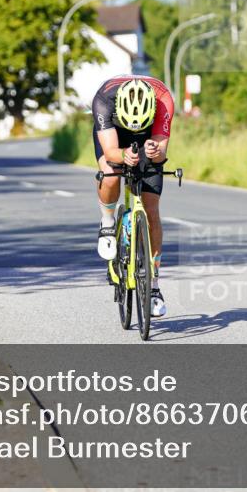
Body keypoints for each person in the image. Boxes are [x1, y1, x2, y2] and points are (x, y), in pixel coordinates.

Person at [92, 75, 174, 317]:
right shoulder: (103, 100)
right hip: (115, 134)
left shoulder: (163, 100)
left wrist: (154, 151)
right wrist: (124, 155)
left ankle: (154, 286)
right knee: (109, 174)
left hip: (148, 134)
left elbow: (160, 155)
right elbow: (109, 151)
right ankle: (107, 222)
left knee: (151, 210)